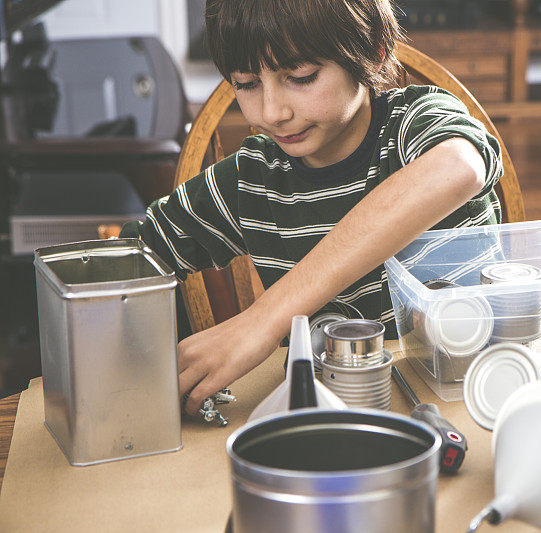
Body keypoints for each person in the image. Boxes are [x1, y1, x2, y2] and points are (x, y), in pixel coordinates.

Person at [121, 0, 503, 415]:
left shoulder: (416, 123)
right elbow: (127, 261)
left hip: (473, 404)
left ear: (373, 48)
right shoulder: (251, 181)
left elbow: (459, 167)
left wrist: (263, 319)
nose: (272, 112)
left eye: (300, 77)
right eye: (246, 84)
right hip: (329, 430)